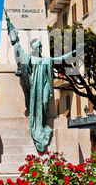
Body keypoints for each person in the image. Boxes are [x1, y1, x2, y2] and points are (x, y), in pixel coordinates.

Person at [5, 11, 79, 152]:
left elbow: (61, 59)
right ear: (34, 48)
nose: (41, 48)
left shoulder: (46, 60)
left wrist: (74, 52)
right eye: (39, 46)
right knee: (42, 102)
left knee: (45, 102)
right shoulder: (30, 59)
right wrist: (11, 31)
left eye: (41, 46)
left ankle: (42, 124)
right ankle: (38, 127)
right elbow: (18, 50)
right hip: (34, 87)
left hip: (44, 86)